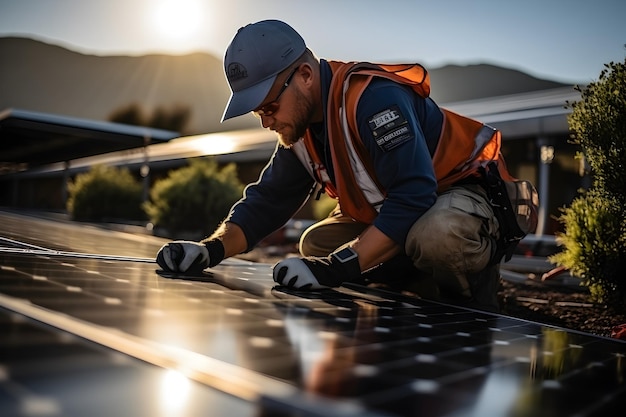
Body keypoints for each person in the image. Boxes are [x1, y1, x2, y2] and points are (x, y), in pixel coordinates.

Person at [156, 19, 533, 312]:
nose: (266, 122)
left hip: (458, 196)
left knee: (437, 236)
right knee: (315, 245)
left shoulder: (374, 101)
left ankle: (470, 299)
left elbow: (414, 195)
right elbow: (267, 201)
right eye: (258, 112)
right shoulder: (300, 129)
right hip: (410, 211)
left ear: (304, 76)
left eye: (269, 107)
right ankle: (415, 283)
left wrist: (339, 268)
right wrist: (209, 250)